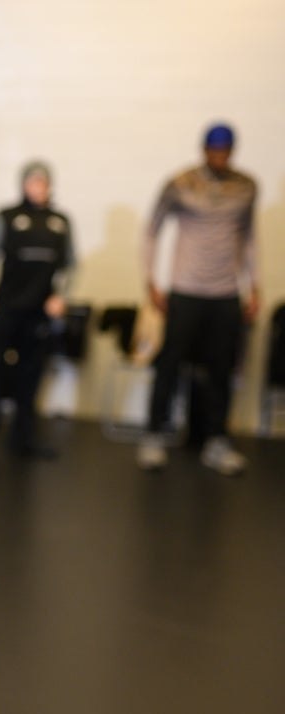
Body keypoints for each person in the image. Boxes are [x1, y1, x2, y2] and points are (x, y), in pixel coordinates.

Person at [135, 123, 259, 475]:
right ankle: (154, 435)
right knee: (169, 364)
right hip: (185, 290)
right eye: (213, 150)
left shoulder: (246, 186)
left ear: (232, 151)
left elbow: (249, 238)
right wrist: (151, 281)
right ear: (203, 149)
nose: (219, 157)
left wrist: (255, 286)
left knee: (221, 370)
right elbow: (151, 230)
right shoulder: (181, 184)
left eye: (225, 151)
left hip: (224, 293)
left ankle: (216, 440)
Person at [0, 161, 76, 463]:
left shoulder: (60, 222)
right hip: (6, 308)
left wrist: (61, 296)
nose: (37, 188)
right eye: (32, 182)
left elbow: (71, 265)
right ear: (24, 185)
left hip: (39, 313)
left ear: (49, 186)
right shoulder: (7, 217)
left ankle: (24, 438)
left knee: (31, 376)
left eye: (43, 183)